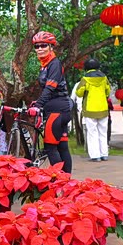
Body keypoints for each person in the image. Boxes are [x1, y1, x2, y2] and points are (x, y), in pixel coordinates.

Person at [27, 31, 72, 173]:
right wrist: (39, 102)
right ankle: (67, 181)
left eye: (43, 45)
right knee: (62, 147)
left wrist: (38, 105)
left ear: (51, 47)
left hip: (57, 111)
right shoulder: (46, 65)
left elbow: (50, 87)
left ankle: (59, 179)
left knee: (50, 148)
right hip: (60, 109)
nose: (40, 49)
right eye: (37, 46)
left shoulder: (54, 64)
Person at [75, 58, 111, 162]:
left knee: (92, 133)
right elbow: (108, 91)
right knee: (103, 132)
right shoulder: (104, 78)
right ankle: (104, 154)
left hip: (90, 110)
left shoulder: (85, 79)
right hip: (103, 109)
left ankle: (95, 156)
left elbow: (79, 93)